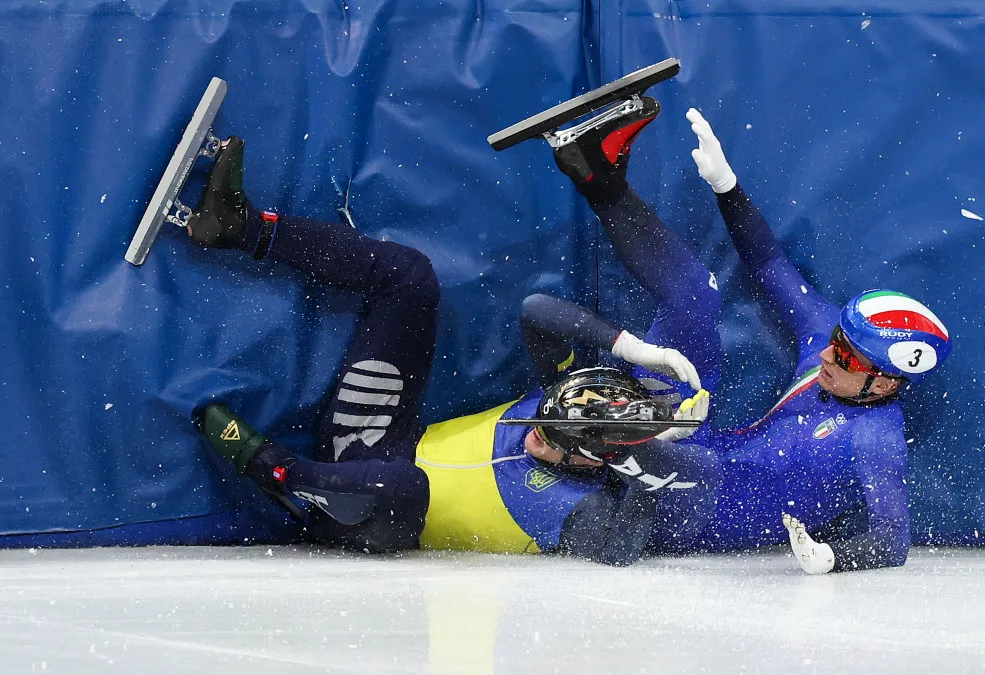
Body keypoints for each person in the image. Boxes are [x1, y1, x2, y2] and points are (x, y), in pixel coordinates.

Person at [184, 136, 718, 565]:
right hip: (377, 441)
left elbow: (623, 548)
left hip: (370, 516)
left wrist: (640, 460)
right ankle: (239, 228)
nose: (537, 429)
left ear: (591, 457)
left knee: (409, 485)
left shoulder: (582, 508)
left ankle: (273, 470)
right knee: (410, 278)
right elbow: (537, 310)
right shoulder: (568, 403)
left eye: (553, 438)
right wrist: (635, 349)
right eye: (546, 414)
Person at [537, 97, 951, 573]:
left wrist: (833, 558)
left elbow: (892, 541)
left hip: (701, 514)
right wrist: (726, 186)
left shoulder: (876, 439)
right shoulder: (827, 343)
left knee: (676, 454)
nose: (829, 357)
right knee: (695, 294)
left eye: (848, 358)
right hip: (701, 442)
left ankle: (603, 438)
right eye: (837, 340)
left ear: (885, 383)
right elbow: (769, 263)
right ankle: (596, 175)